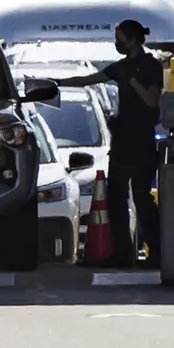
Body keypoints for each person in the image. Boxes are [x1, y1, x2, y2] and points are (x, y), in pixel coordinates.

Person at [46, 19, 164, 267]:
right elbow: (89, 80)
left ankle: (158, 252)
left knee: (142, 197)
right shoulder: (121, 67)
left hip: (142, 140)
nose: (117, 42)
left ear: (131, 39)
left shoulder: (151, 66)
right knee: (116, 196)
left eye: (120, 37)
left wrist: (132, 81)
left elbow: (152, 100)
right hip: (122, 141)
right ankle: (121, 253)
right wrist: (56, 83)